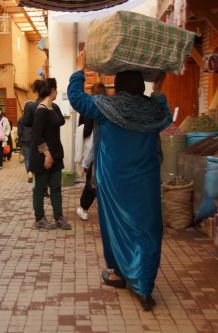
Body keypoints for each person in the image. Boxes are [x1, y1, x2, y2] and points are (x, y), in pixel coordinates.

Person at [67, 51, 172, 311]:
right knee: (147, 230)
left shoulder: (106, 107)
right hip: (146, 181)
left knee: (116, 228)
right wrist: (158, 89)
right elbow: (167, 116)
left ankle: (119, 274)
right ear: (140, 86)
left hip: (115, 183)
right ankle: (145, 286)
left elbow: (77, 99)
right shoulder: (152, 110)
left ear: (118, 87)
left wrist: (80, 69)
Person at [30, 78, 71, 231]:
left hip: (56, 155)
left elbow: (60, 121)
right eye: (56, 88)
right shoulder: (40, 110)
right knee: (40, 189)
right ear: (52, 90)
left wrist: (52, 106)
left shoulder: (52, 108)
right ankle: (39, 219)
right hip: (43, 157)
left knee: (56, 188)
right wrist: (46, 154)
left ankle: (59, 218)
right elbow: (37, 136)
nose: (57, 91)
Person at [76, 83, 107, 221]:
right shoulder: (111, 109)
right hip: (111, 156)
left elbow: (90, 134)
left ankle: (83, 208)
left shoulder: (91, 109)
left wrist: (85, 163)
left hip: (97, 154)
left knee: (92, 183)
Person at [17, 112, 33, 182]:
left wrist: (20, 140)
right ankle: (34, 172)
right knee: (34, 157)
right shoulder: (34, 117)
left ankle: (29, 173)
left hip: (25, 140)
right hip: (34, 140)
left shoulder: (21, 119)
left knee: (27, 158)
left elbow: (19, 132)